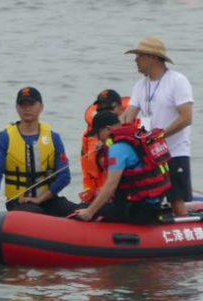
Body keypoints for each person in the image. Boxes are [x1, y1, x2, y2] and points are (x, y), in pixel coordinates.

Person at [118, 36, 194, 217]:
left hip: (175, 152)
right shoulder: (140, 86)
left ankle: (184, 234)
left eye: (139, 56)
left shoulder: (177, 81)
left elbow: (186, 118)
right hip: (151, 155)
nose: (135, 60)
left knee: (177, 201)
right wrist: (108, 133)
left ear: (153, 58)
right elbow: (127, 117)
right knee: (148, 197)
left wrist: (160, 135)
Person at [0, 86, 74, 215]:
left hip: (47, 199)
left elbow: (65, 176)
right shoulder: (5, 137)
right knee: (34, 212)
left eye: (31, 104)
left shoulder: (54, 137)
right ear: (17, 108)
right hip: (18, 203)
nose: (27, 108)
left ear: (41, 107)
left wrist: (39, 199)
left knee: (74, 210)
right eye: (22, 104)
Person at [72, 111, 172, 223]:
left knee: (82, 208)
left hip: (137, 209)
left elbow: (111, 185)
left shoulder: (117, 148)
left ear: (108, 129)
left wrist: (89, 212)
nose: (96, 138)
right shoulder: (136, 137)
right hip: (153, 202)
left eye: (97, 134)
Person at [78, 89, 131, 204]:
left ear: (120, 108)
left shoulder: (132, 131)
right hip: (98, 194)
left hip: (121, 194)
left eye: (108, 109)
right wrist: (89, 192)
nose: (103, 112)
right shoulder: (89, 135)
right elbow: (86, 168)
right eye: (100, 109)